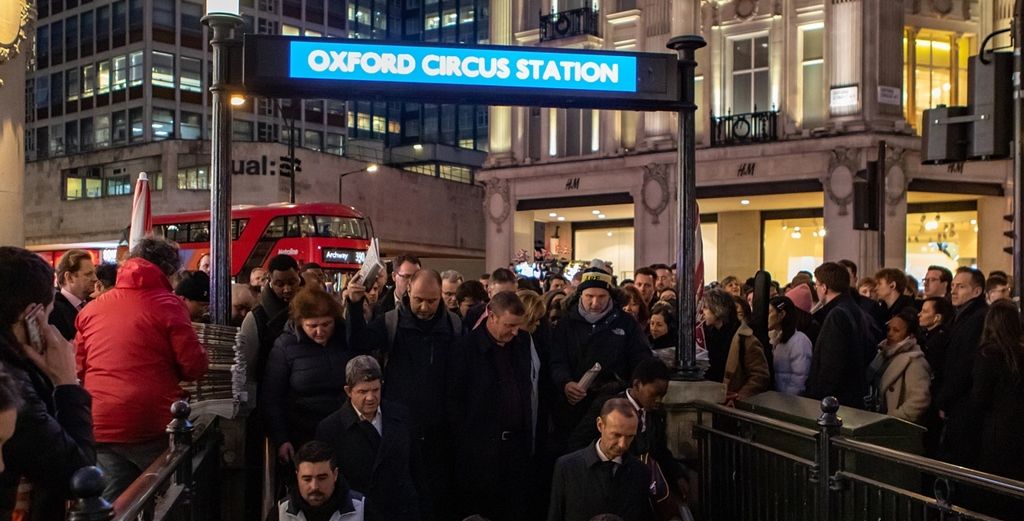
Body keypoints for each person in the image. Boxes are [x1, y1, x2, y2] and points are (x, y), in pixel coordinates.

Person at [74, 237, 208, 500]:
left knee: (112, 502)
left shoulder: (92, 308)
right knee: (164, 500)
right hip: (150, 421)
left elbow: (78, 368)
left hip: (101, 421)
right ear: (168, 271)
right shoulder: (168, 304)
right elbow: (193, 366)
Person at [346, 270, 462, 517]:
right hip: (400, 425)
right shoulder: (392, 322)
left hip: (440, 430)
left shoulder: (453, 325)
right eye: (418, 299)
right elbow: (359, 343)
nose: (424, 307)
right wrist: (354, 306)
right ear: (408, 291)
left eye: (431, 300)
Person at [0, 247, 95, 519]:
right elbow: (81, 475)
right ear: (32, 317)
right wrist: (66, 383)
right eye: (48, 315)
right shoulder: (13, 389)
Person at [449, 292, 536, 521]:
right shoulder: (465, 349)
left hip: (515, 449)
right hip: (480, 455)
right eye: (509, 325)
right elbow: (455, 403)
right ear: (492, 317)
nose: (514, 331)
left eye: (518, 325)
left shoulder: (522, 342)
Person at [549, 269, 653, 451]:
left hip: (613, 401)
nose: (595, 302)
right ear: (580, 294)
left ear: (610, 296)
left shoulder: (625, 323)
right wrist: (565, 383)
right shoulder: (566, 323)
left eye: (601, 296)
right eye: (589, 296)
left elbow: (640, 358)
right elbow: (557, 360)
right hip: (573, 403)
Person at [567, 360, 692, 509]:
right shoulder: (608, 406)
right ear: (637, 385)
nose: (658, 400)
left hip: (642, 485)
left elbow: (659, 449)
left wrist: (677, 476)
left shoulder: (656, 414)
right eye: (654, 394)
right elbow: (578, 442)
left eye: (662, 395)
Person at [316, 356, 424, 521]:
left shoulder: (401, 416)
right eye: (363, 391)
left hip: (401, 511)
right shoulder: (330, 429)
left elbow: (416, 468)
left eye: (375, 390)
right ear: (348, 391)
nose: (371, 397)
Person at [263, 287, 363, 465]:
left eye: (326, 324)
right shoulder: (285, 346)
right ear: (300, 323)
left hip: (345, 429)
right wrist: (281, 439)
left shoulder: (347, 339)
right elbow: (272, 396)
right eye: (312, 326)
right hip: (303, 432)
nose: (320, 331)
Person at [548, 399, 652, 521]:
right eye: (616, 435)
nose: (623, 444)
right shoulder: (567, 467)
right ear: (600, 425)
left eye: (630, 436)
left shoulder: (641, 472)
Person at [968, 301, 1024, 518]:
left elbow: (979, 397)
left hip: (996, 430)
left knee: (995, 489)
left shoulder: (988, 355)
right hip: (1017, 428)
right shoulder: (1018, 354)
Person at [804, 262, 875, 408]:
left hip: (837, 401)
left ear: (824, 288)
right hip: (853, 394)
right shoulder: (853, 308)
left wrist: (819, 396)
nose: (815, 289)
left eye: (816, 285)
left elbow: (831, 362)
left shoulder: (837, 314)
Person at [938, 267, 988, 467]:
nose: (954, 291)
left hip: (964, 403)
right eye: (953, 286)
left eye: (961, 286)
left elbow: (963, 364)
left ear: (976, 291)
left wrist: (944, 398)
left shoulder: (977, 318)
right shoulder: (962, 315)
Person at [238, 254, 304, 387]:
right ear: (270, 280)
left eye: (292, 283)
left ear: (299, 277)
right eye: (279, 284)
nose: (287, 289)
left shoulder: (315, 307)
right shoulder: (256, 317)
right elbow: (248, 365)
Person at [701, 289, 769, 403]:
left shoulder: (745, 339)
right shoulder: (705, 335)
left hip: (732, 404)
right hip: (710, 400)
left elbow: (759, 375)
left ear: (718, 310)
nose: (702, 312)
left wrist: (739, 397)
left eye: (706, 308)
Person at [864, 309, 931, 424]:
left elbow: (919, 400)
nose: (890, 333)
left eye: (896, 330)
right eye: (889, 329)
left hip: (891, 426)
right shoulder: (883, 353)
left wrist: (894, 419)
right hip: (874, 418)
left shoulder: (915, 361)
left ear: (910, 335)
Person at [279, 441, 365, 521]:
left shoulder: (362, 510)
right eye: (307, 479)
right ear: (297, 476)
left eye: (322, 478)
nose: (314, 486)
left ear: (335, 474)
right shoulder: (281, 512)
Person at [917, 296, 954, 456]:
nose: (920, 314)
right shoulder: (928, 336)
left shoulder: (939, 340)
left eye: (925, 311)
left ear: (937, 317)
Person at [768, 296, 812, 396]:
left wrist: (787, 399)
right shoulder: (774, 339)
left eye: (769, 312)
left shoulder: (799, 341)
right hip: (775, 398)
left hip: (790, 402)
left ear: (782, 314)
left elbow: (800, 378)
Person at [50, 249, 97, 340]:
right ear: (69, 277)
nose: (95, 278)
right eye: (88, 274)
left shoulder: (93, 305)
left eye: (94, 273)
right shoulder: (54, 310)